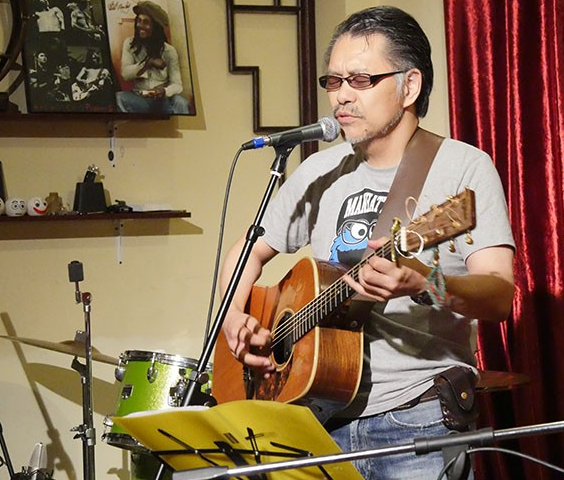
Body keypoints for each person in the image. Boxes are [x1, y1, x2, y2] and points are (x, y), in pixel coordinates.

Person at [219, 6, 515, 479]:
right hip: (314, 416)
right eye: (334, 81)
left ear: (409, 87)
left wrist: (426, 282)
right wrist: (233, 317)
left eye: (360, 80)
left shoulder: (463, 168)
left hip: (415, 417)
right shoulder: (319, 171)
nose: (341, 96)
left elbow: (499, 294)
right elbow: (248, 250)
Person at [115, 1, 189, 114]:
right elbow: (125, 74)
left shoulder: (169, 51)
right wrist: (147, 64)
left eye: (146, 22)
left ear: (156, 27)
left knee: (181, 102)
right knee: (117, 98)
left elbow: (177, 85)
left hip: (163, 99)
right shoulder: (130, 44)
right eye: (139, 21)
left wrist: (164, 91)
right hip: (140, 97)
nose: (140, 25)